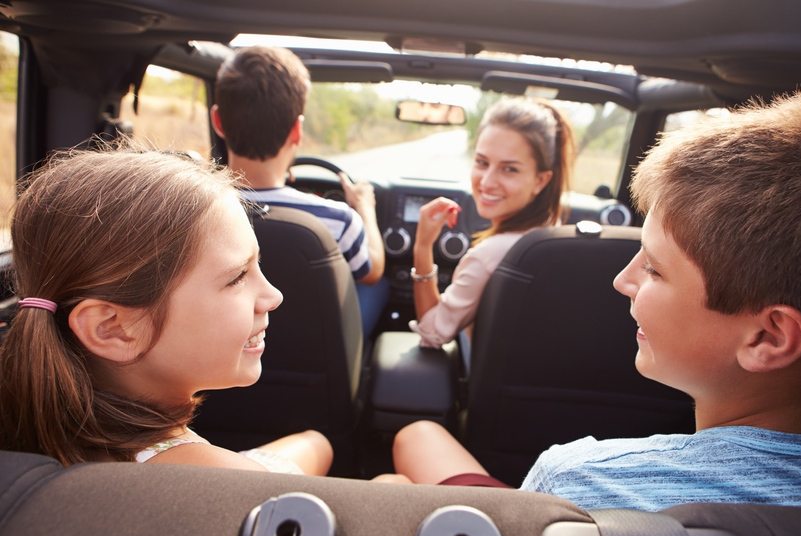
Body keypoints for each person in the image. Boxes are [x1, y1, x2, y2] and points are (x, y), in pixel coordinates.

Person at [391, 88, 801, 511]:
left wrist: (422, 252)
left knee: (395, 481)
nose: (619, 280)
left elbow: (434, 332)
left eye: (652, 267)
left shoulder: (579, 481)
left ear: (768, 337)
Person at [0, 147, 332, 476]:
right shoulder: (229, 486)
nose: (274, 296)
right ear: (112, 328)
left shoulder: (41, 431)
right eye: (237, 277)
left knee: (315, 443)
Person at [211, 45, 388, 337]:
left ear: (218, 121)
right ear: (297, 131)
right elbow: (374, 270)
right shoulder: (339, 220)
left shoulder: (188, 211)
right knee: (380, 285)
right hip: (313, 371)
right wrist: (365, 208)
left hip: (221, 363)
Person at [409, 97, 574, 349]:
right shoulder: (554, 230)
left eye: (509, 169)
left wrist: (422, 247)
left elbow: (432, 334)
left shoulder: (488, 256)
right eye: (482, 162)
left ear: (541, 180)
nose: (486, 182)